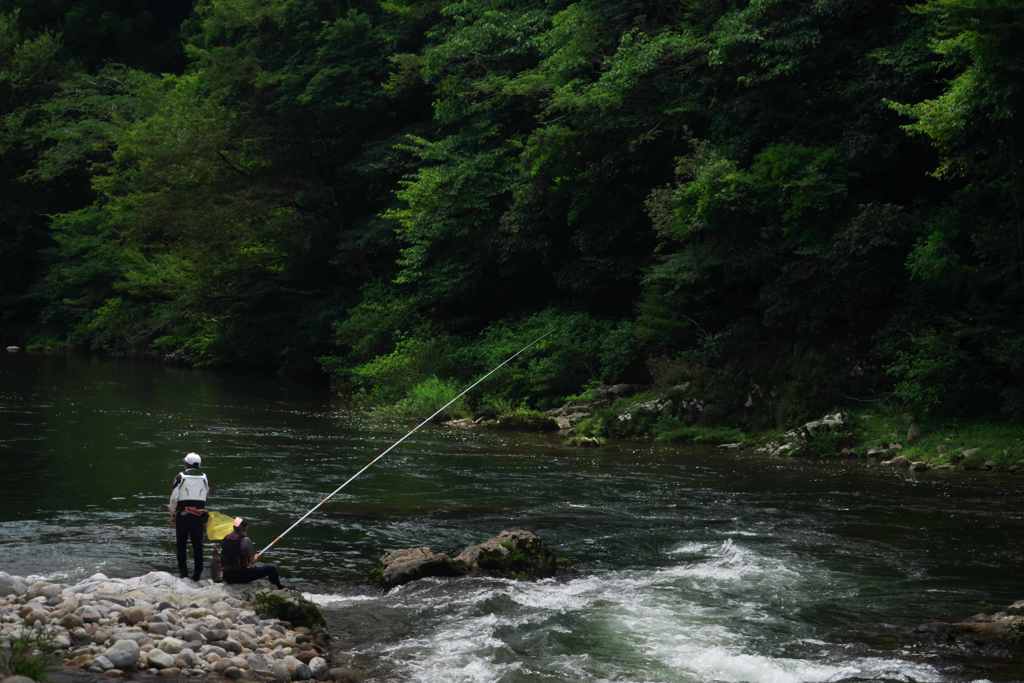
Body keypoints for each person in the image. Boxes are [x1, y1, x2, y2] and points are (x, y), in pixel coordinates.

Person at [168, 452, 209, 581]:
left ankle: (184, 573)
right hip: (199, 516)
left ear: (186, 464)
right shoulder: (204, 477)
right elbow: (205, 495)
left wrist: (172, 513)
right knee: (198, 545)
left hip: (183, 515)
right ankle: (197, 574)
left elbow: (174, 497)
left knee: (181, 545)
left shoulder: (180, 476)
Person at [221, 518, 284, 589]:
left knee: (257, 567)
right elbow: (252, 562)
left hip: (226, 576)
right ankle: (279, 588)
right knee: (271, 569)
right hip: (239, 577)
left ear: (233, 527)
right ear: (244, 527)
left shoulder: (225, 538)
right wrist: (255, 557)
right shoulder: (245, 540)